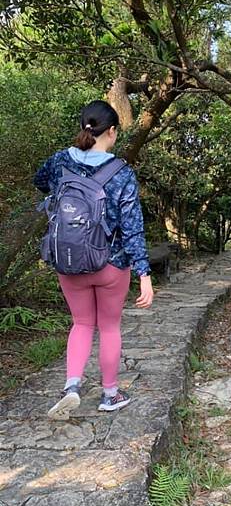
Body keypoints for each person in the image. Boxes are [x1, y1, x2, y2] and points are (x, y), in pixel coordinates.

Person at [33, 99, 153, 419]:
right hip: (110, 263)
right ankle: (110, 394)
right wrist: (144, 273)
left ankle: (71, 387)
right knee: (109, 326)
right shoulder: (121, 173)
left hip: (68, 260)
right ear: (111, 132)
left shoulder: (60, 161)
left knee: (82, 323)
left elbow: (40, 181)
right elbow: (132, 226)